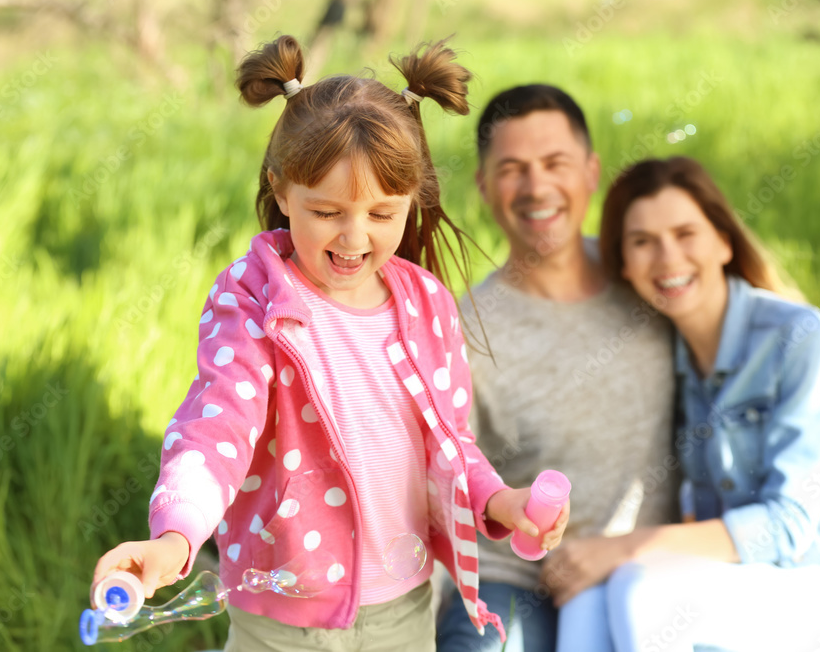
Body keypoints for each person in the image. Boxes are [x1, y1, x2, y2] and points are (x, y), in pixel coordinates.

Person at [89, 37, 569, 652]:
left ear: (410, 200)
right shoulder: (255, 300)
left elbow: (450, 444)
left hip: (401, 606)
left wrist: (502, 501)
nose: (353, 237)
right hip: (282, 612)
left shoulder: (425, 305)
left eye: (380, 214)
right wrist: (174, 537)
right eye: (326, 211)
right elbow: (217, 427)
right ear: (281, 190)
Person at [435, 84, 820, 652]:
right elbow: (440, 472)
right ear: (482, 184)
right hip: (539, 574)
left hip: (715, 567)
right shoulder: (464, 329)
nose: (537, 186)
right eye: (512, 168)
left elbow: (787, 378)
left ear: (591, 172)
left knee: (633, 601)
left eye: (555, 163)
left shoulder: (654, 287)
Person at [548, 155, 820, 651]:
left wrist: (623, 547)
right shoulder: (664, 354)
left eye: (686, 233)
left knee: (636, 587)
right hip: (758, 575)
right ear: (624, 263)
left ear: (724, 241)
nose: (667, 258)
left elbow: (789, 526)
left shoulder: (796, 334)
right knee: (587, 593)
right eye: (642, 241)